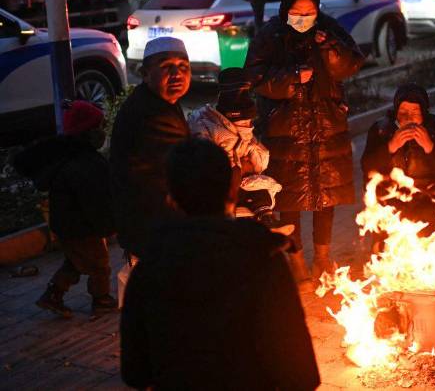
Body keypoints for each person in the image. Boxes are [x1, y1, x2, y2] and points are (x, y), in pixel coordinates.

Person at [120, 138, 320, 390]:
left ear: (170, 198)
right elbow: (302, 375)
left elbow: (135, 372)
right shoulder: (263, 260)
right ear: (233, 191)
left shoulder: (147, 270)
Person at [244, 0, 365, 291]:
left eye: (309, 13)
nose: (303, 19)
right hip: (286, 129)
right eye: (297, 13)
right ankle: (295, 255)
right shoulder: (271, 35)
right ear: (286, 11)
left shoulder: (329, 30)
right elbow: (255, 77)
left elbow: (351, 64)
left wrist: (329, 48)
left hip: (327, 125)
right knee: (290, 196)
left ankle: (323, 256)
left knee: (326, 194)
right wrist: (292, 78)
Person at [13, 101, 117, 318]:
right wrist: (108, 226)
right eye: (99, 127)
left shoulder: (70, 158)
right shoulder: (85, 165)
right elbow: (94, 203)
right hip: (81, 227)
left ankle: (53, 295)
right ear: (87, 132)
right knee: (99, 264)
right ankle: (101, 299)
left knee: (76, 261)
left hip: (66, 224)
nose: (103, 132)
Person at [110, 37, 191, 259]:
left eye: (183, 66)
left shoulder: (161, 102)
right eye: (166, 67)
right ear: (145, 74)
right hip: (154, 226)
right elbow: (186, 170)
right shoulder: (152, 115)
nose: (177, 74)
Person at [361, 83, 435, 236]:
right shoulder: (381, 130)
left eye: (415, 111)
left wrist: (430, 147)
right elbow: (367, 167)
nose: (408, 117)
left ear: (424, 112)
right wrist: (391, 146)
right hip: (391, 202)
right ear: (396, 111)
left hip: (428, 203)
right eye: (403, 111)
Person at [188, 67, 282, 220]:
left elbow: (259, 159)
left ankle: (267, 219)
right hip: (223, 189)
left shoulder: (245, 129)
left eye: (249, 122)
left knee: (259, 191)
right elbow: (208, 158)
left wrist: (250, 164)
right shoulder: (205, 124)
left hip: (245, 182)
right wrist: (236, 167)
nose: (247, 124)